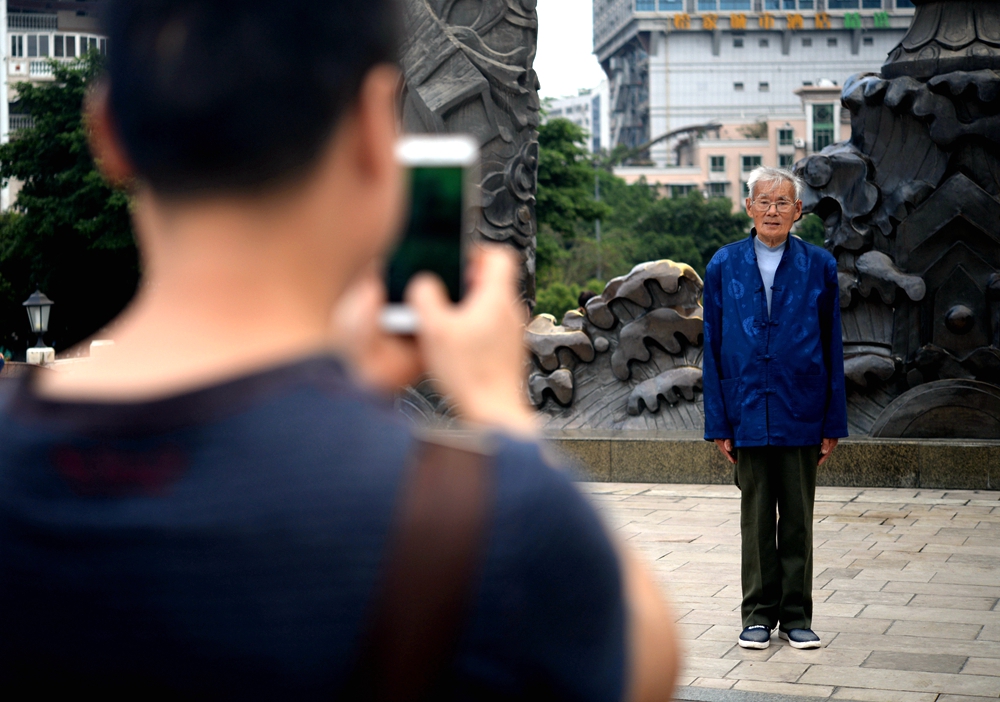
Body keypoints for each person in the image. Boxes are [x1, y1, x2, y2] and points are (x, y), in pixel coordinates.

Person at [0, 1, 680, 699]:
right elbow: (647, 663)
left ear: (107, 131)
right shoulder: (482, 520)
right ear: (370, 129)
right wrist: (495, 407)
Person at [701, 166, 848, 651]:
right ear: (748, 207)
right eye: (763, 201)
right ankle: (758, 614)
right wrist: (719, 423)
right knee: (757, 517)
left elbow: (832, 345)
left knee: (799, 520)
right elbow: (713, 344)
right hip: (746, 408)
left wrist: (832, 421)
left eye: (783, 202)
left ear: (798, 211)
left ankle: (797, 615)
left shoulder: (819, 265)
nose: (772, 210)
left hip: (802, 407)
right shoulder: (724, 264)